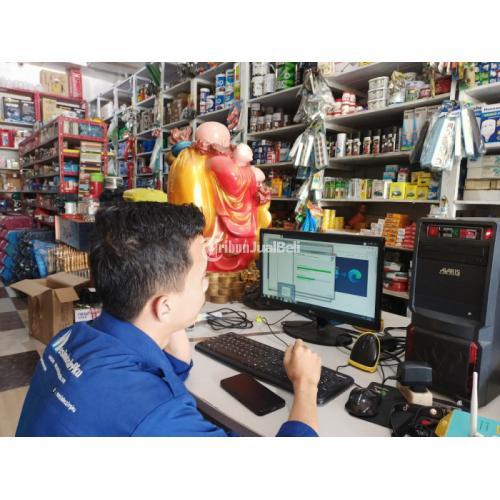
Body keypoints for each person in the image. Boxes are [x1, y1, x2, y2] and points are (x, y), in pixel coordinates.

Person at [16, 202, 322, 437]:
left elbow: (174, 364)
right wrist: (306, 383)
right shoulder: (158, 415)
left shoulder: (72, 337)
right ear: (163, 306)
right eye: (202, 277)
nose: (206, 284)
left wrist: (187, 264)